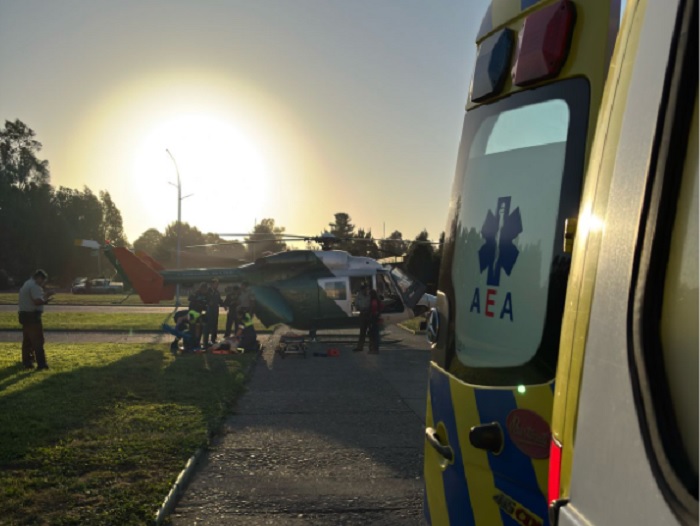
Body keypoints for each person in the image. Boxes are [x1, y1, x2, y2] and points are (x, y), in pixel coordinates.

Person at [18, 269, 54, 370]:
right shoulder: (35, 286)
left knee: (27, 340)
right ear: (39, 278)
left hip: (24, 315)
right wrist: (46, 301)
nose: (43, 283)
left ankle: (27, 362)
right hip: (33, 316)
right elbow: (37, 301)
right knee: (38, 340)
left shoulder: (27, 283)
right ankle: (41, 364)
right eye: (43, 281)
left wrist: (46, 295)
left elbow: (35, 298)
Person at [187, 282, 209, 350]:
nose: (205, 291)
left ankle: (197, 342)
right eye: (204, 289)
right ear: (201, 288)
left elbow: (206, 304)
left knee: (200, 328)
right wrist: (197, 301)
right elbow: (190, 298)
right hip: (193, 313)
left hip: (200, 313)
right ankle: (191, 344)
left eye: (206, 290)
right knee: (192, 328)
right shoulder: (196, 293)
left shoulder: (206, 295)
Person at [203, 278, 222, 346]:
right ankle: (205, 342)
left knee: (214, 326)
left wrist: (224, 305)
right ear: (212, 284)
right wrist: (208, 302)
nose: (217, 285)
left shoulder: (217, 292)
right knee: (208, 326)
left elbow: (220, 300)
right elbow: (204, 299)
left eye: (217, 284)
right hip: (209, 310)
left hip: (215, 310)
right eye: (216, 284)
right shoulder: (208, 291)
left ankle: (213, 340)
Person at [353, 283, 371, 352]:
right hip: (363, 314)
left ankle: (372, 347)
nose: (367, 291)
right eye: (366, 289)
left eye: (368, 289)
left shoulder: (371, 296)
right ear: (362, 290)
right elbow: (356, 304)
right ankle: (360, 347)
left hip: (370, 315)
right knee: (362, 332)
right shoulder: (359, 296)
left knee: (371, 332)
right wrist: (360, 308)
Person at [368, 288, 382, 354]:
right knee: (375, 335)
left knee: (374, 335)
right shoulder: (377, 300)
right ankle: (374, 349)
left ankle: (374, 349)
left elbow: (373, 310)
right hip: (376, 319)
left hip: (373, 319)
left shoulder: (373, 301)